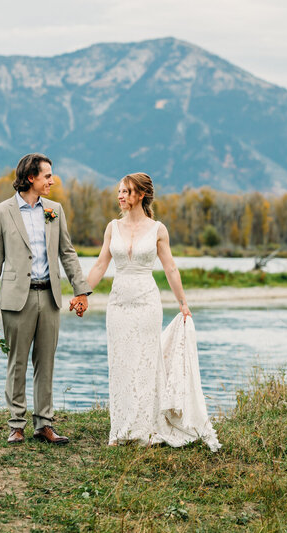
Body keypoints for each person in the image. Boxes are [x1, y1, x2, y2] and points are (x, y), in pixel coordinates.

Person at [86, 172, 221, 449]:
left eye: (125, 191)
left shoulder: (158, 229)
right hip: (118, 303)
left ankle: (146, 429)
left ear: (141, 194)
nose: (120, 196)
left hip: (147, 302)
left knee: (146, 363)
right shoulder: (112, 227)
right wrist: (81, 293)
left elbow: (170, 267)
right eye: (120, 191)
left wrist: (183, 303)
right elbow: (101, 264)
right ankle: (121, 430)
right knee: (121, 363)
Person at [0, 153, 91, 445]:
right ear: (31, 177)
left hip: (51, 297)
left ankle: (44, 424)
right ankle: (16, 424)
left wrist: (81, 290)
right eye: (47, 176)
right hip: (17, 299)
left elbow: (67, 252)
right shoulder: (0, 212)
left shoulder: (55, 210)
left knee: (46, 362)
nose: (52, 181)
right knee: (17, 363)